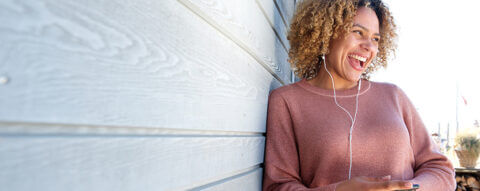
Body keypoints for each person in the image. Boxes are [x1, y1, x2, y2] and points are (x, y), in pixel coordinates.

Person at [262, 0, 456, 190]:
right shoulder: (287, 101)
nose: (369, 47)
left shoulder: (394, 96)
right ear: (325, 33)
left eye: (375, 39)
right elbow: (278, 185)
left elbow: (441, 170)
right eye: (358, 32)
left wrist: (408, 188)